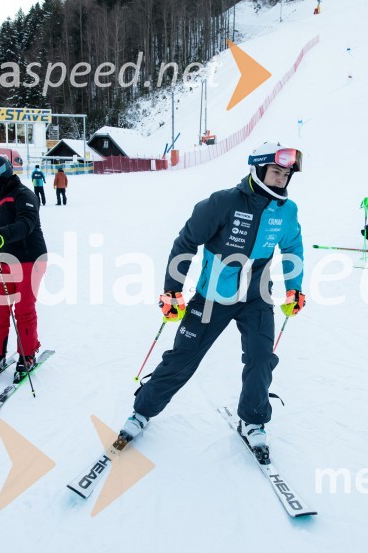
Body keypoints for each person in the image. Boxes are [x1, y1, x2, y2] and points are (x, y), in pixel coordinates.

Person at [117, 141, 306, 462]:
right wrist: (172, 290)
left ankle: (253, 419)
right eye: (275, 172)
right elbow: (185, 243)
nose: (281, 180)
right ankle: (142, 412)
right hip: (212, 297)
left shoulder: (286, 210)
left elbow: (292, 248)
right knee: (182, 359)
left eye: (286, 174)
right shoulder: (222, 203)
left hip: (256, 295)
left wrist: (294, 288)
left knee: (261, 358)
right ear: (258, 169)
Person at [0, 155, 48, 384]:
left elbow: (26, 223)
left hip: (30, 259)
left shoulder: (24, 195)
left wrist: (2, 235)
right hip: (6, 259)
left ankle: (27, 355)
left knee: (23, 309)